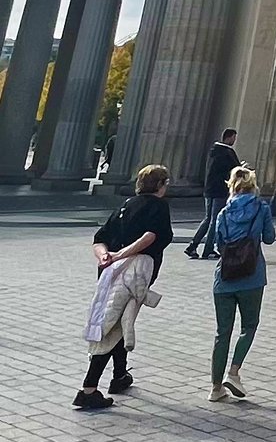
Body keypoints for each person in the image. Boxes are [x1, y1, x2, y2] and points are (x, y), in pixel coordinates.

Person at [75, 164, 174, 410]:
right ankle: (88, 389)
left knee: (116, 321)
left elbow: (100, 239)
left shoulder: (125, 205)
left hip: (110, 273)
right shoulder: (158, 206)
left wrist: (105, 257)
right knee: (112, 326)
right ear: (161, 185)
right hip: (135, 274)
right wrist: (121, 255)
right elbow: (150, 237)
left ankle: (119, 375)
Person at [209, 166, 276, 403]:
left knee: (222, 333)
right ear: (253, 186)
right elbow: (269, 238)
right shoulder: (261, 208)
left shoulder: (223, 213)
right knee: (249, 325)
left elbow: (218, 245)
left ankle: (215, 388)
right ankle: (234, 372)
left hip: (224, 277)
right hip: (252, 275)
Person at [184, 127, 241, 260]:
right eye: (234, 138)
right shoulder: (227, 152)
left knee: (208, 218)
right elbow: (235, 170)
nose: (234, 140)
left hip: (209, 189)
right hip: (220, 190)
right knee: (215, 220)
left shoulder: (213, 151)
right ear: (230, 137)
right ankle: (208, 249)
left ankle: (192, 246)